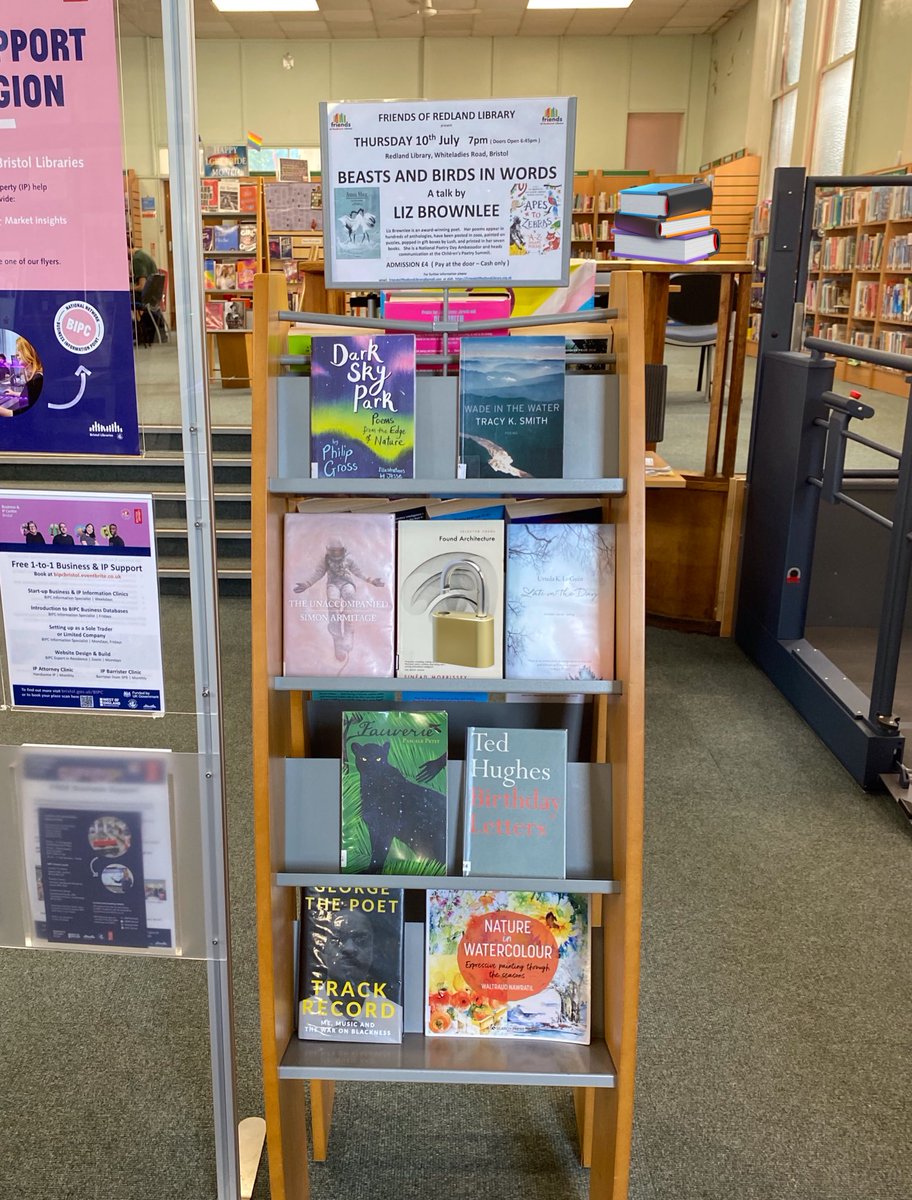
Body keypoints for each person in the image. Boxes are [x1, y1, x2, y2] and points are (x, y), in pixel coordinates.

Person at [293, 537, 385, 663]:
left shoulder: (349, 559)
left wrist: (371, 580)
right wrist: (307, 584)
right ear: (329, 550)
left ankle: (348, 634)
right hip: (333, 585)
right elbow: (318, 573)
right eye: (334, 551)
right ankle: (337, 641)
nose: (336, 554)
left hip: (347, 584)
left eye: (338, 551)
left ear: (343, 550)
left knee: (349, 600)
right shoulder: (325, 560)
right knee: (333, 607)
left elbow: (358, 572)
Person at [0, 338, 43, 417]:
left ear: (28, 352)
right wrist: (15, 393)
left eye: (19, 350)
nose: (16, 355)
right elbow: (31, 395)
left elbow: (17, 414)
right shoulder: (37, 378)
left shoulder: (37, 380)